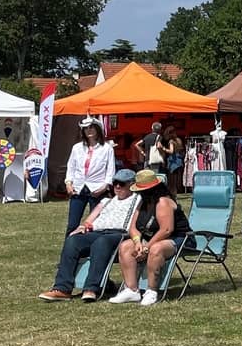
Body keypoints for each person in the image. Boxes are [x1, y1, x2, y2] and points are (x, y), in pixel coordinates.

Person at [40, 168, 142, 302]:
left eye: (122, 184)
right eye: (115, 183)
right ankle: (62, 288)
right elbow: (90, 219)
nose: (117, 186)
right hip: (97, 232)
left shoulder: (138, 200)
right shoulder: (106, 201)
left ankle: (91, 288)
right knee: (73, 240)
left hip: (120, 234)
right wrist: (82, 227)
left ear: (131, 185)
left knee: (102, 242)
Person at [110, 170, 193, 306]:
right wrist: (137, 242)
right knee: (126, 246)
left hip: (180, 238)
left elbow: (166, 230)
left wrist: (146, 248)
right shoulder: (143, 203)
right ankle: (131, 290)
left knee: (156, 249)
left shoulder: (163, 201)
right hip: (153, 238)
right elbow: (133, 228)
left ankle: (152, 291)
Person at [64, 117, 116, 235]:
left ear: (98, 129)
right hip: (79, 188)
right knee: (72, 224)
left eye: (91, 127)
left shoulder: (107, 149)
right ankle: (69, 250)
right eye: (86, 129)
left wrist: (104, 187)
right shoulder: (76, 148)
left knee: (95, 224)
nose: (89, 131)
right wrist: (68, 183)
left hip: (97, 189)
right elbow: (71, 167)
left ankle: (91, 250)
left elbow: (110, 171)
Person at [161, 127, 185, 195]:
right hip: (179, 160)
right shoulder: (179, 140)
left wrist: (163, 148)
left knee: (172, 179)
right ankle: (178, 190)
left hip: (173, 161)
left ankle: (173, 192)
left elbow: (171, 151)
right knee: (178, 178)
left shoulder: (171, 141)